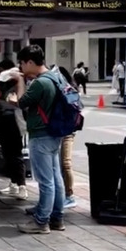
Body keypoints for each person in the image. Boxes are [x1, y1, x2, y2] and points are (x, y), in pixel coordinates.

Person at [9, 45, 65, 234]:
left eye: (23, 63)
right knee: (56, 179)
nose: (22, 67)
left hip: (41, 134)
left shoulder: (41, 83)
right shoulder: (56, 76)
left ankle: (41, 221)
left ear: (31, 62)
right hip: (54, 133)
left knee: (45, 181)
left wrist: (19, 81)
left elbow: (21, 101)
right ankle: (57, 217)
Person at [0, 59, 28, 200]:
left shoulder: (19, 85)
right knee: (8, 154)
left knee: (15, 154)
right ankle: (14, 183)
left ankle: (22, 186)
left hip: (13, 123)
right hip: (5, 121)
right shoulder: (7, 87)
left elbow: (20, 103)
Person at [56, 65, 77, 209]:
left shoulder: (70, 90)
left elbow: (74, 107)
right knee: (57, 165)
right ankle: (61, 194)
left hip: (67, 131)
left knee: (66, 163)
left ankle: (69, 195)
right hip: (57, 130)